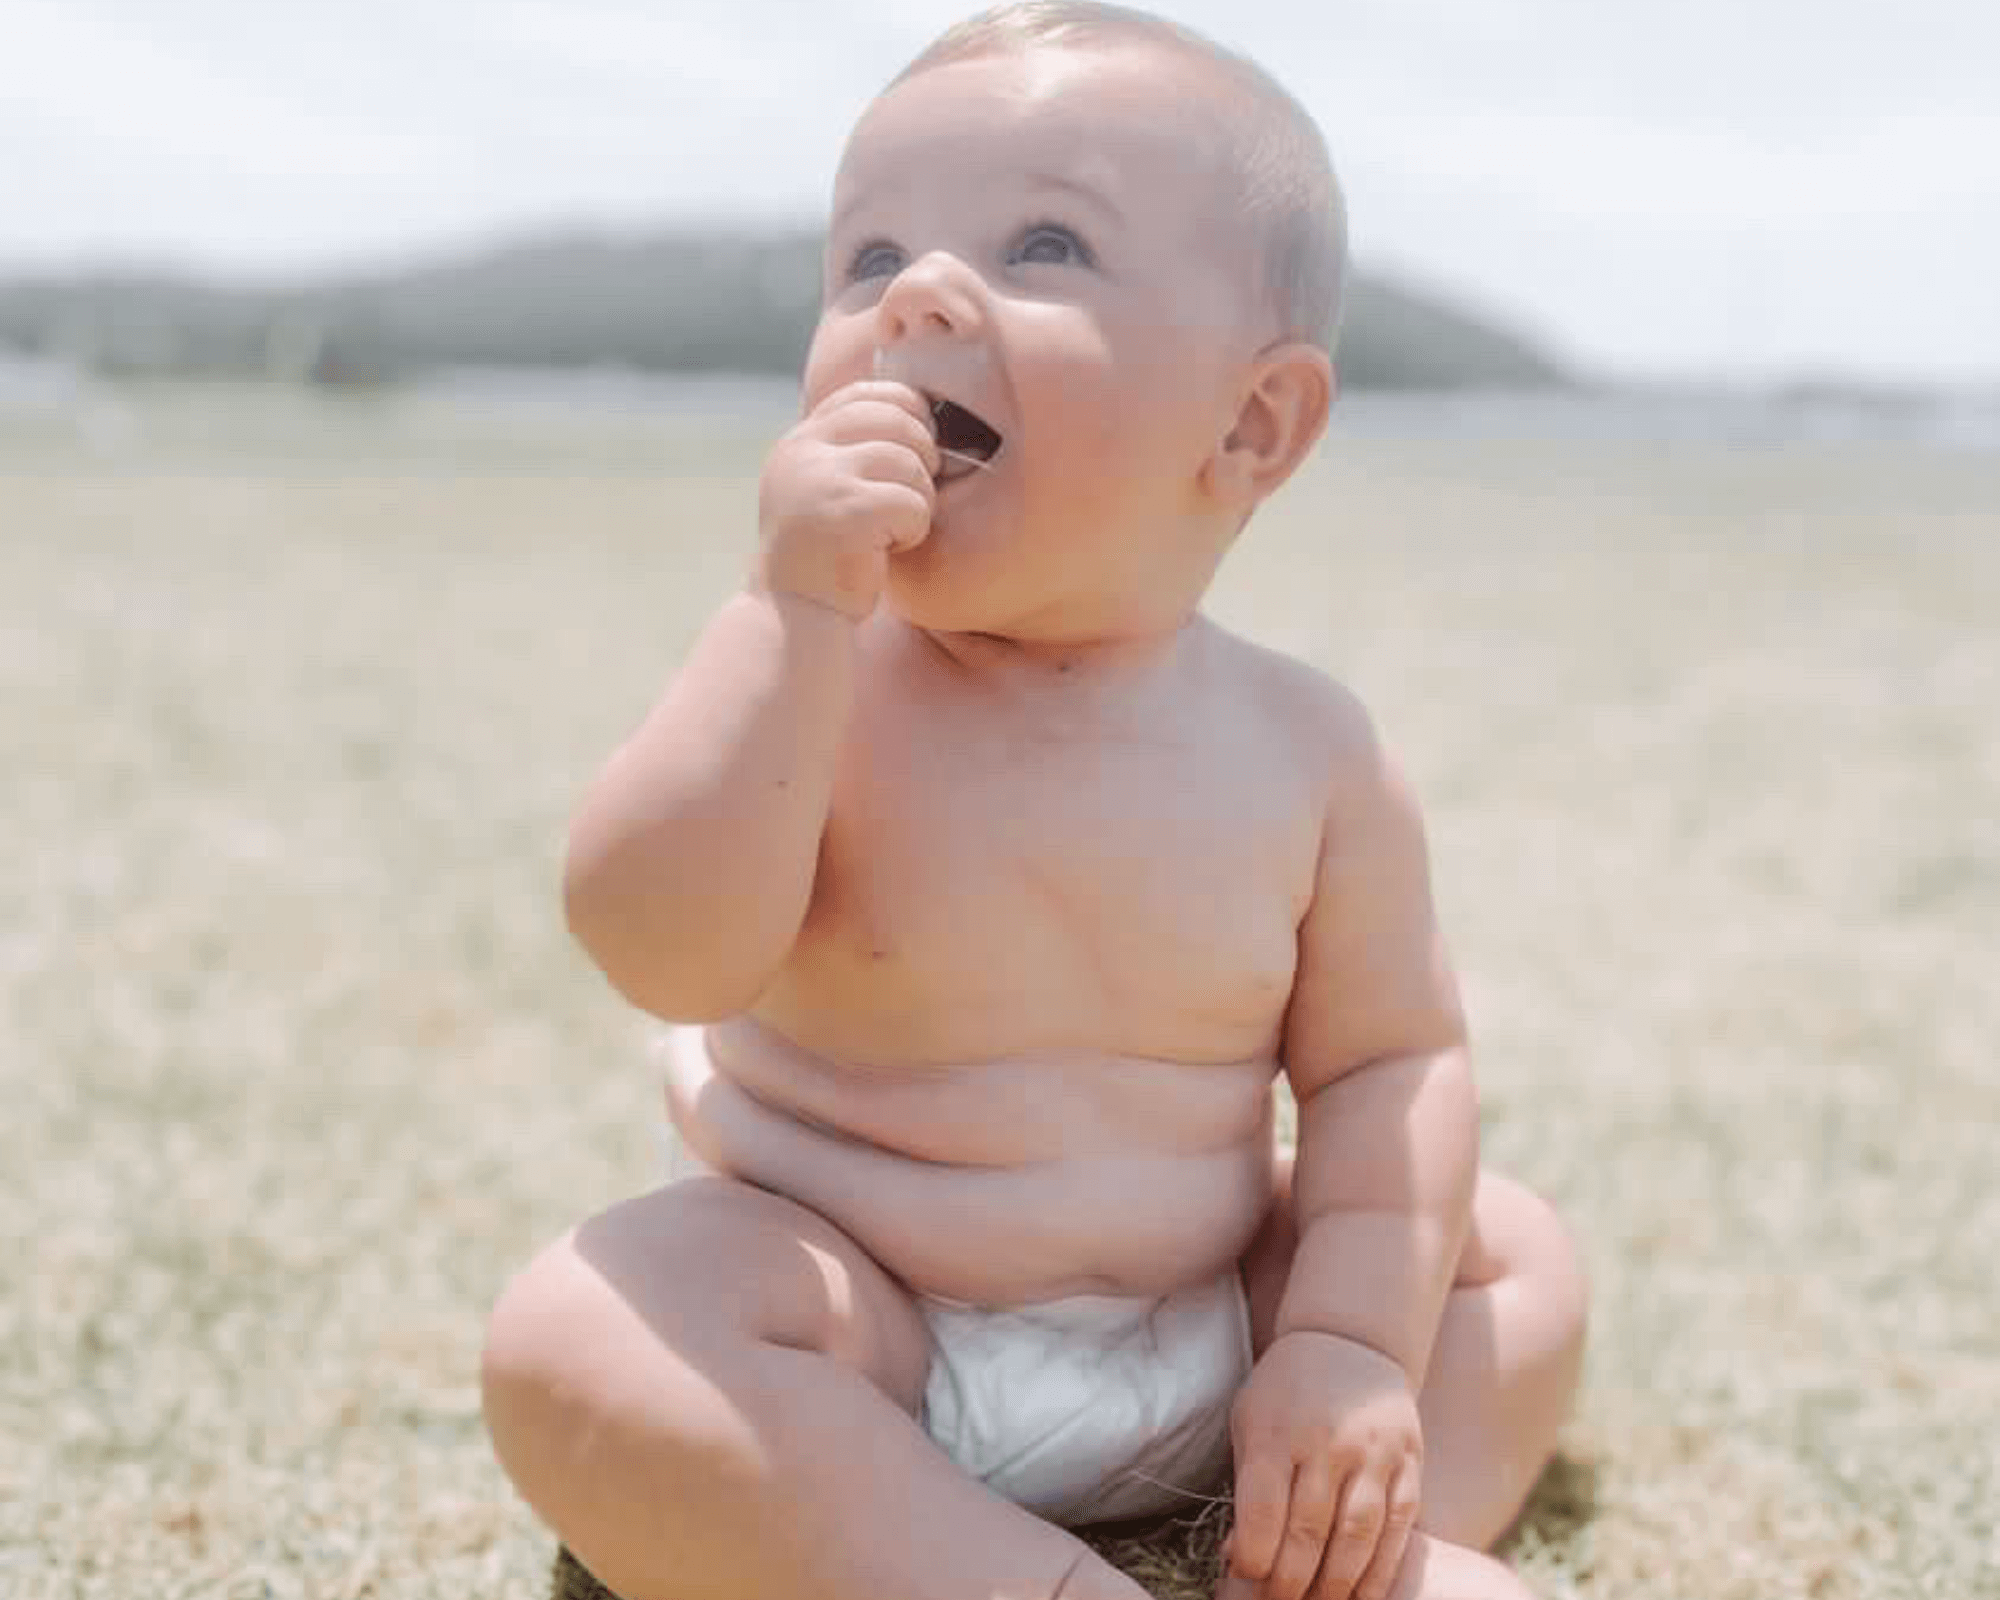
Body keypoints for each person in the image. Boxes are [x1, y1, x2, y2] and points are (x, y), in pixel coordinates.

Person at [479, 5, 1587, 1598]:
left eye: (1046, 242)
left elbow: (1386, 1070)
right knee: (584, 1332)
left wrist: (1343, 1346)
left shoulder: (1309, 749)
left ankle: (1346, 1551)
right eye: (866, 260)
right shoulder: (817, 677)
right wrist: (785, 610)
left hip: (1211, 1320)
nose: (917, 293)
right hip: (868, 1333)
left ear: (1253, 424)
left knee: (1509, 1256)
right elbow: (656, 947)